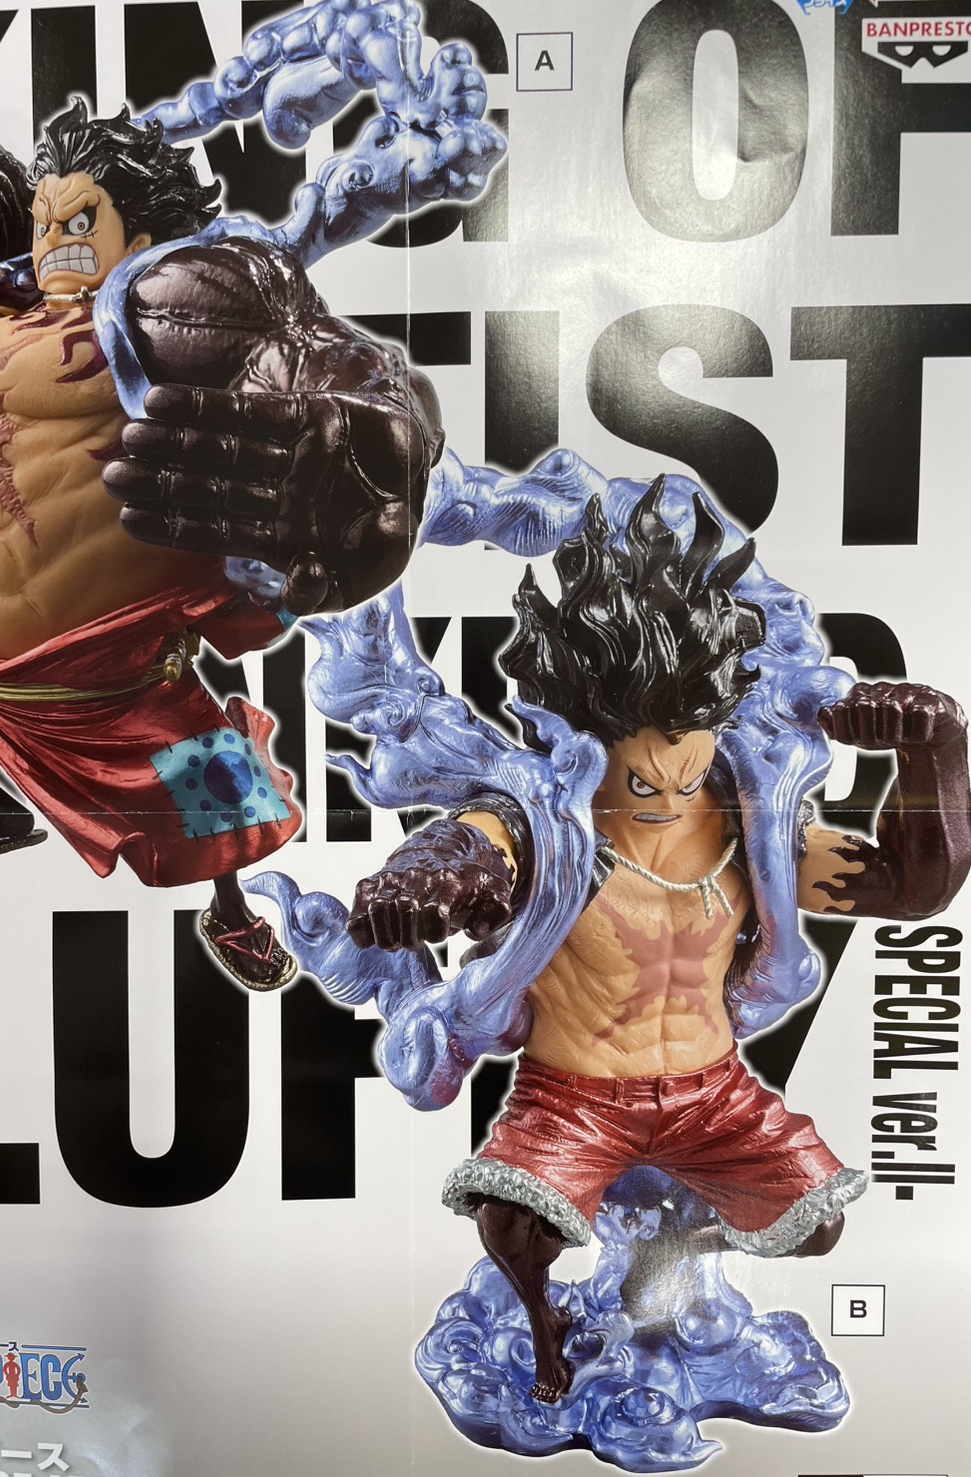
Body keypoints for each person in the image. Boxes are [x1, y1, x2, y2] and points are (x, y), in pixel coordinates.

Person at [347, 482, 970, 1399]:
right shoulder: (544, 824)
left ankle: (669, 1252)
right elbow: (468, 849)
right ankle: (549, 1336)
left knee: (821, 1226)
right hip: (574, 1097)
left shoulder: (754, 827)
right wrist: (423, 883)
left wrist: (935, 754)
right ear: (580, 735)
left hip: (716, 1093)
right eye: (641, 770)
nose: (671, 787)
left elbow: (914, 888)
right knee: (513, 1225)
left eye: (690, 755)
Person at [0, 97, 443, 990]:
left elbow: (316, 358)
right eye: (45, 219)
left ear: (138, 234)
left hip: (96, 671)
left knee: (211, 785)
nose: (55, 240)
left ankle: (231, 909)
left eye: (81, 221)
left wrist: (375, 436)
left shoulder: (162, 303)